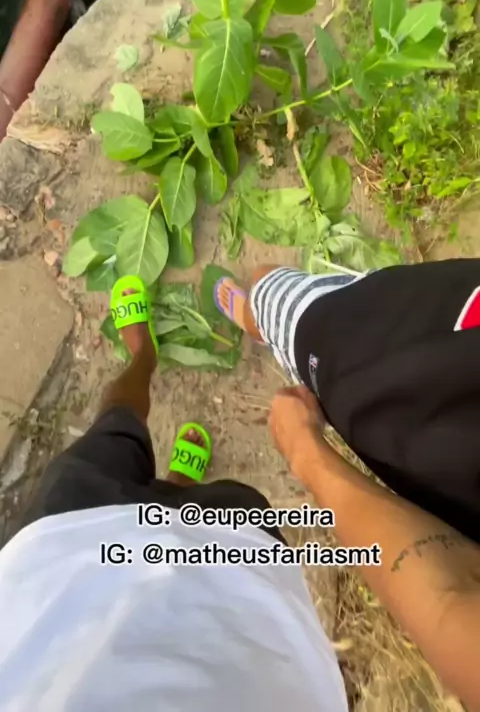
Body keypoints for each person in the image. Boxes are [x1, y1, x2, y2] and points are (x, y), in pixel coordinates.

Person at [0, 276, 479, 711]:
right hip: (230, 612)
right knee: (204, 515)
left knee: (114, 427)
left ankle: (143, 354)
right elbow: (451, 606)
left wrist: (307, 452)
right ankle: (179, 482)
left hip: (58, 573)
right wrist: (307, 453)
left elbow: (451, 600)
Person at [215, 259, 480, 545]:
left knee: (267, 286)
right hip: (433, 328)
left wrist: (302, 449)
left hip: (398, 370)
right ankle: (277, 327)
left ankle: (257, 320)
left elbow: (434, 570)